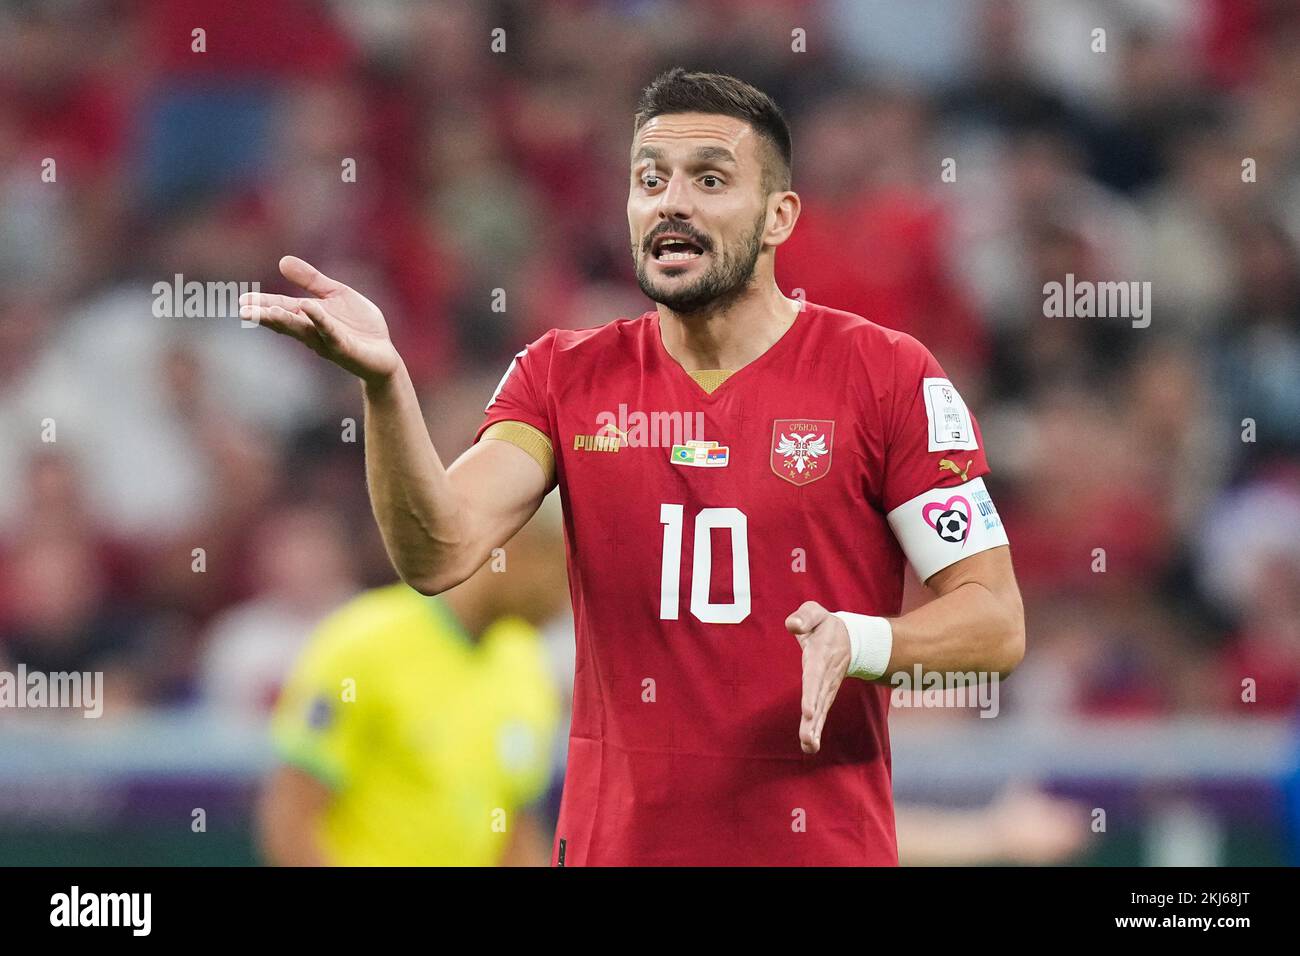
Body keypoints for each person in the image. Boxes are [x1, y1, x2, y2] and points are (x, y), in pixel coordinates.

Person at [240, 68, 1024, 866]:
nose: (671, 202)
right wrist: (386, 386)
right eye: (650, 179)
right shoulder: (560, 378)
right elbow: (438, 551)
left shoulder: (889, 376)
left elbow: (994, 619)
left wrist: (864, 640)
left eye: (710, 179)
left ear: (778, 215)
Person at [257, 495, 567, 866]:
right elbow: (290, 821)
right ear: (516, 548)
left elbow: (515, 832)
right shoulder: (363, 643)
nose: (565, 602)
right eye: (562, 575)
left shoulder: (528, 664)